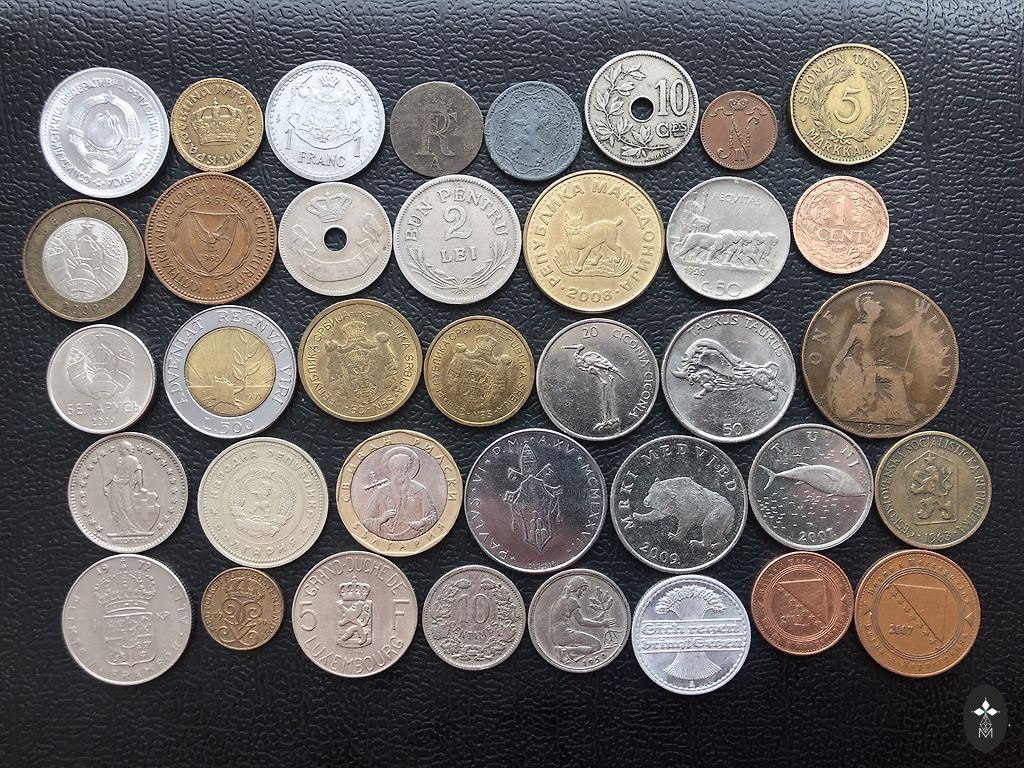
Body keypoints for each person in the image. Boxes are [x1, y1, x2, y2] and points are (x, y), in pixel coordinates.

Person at [827, 291, 918, 424]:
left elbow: (898, 332)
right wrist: (834, 366)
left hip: (876, 363)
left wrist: (916, 320)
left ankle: (892, 410)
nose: (880, 310)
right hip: (862, 366)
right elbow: (845, 349)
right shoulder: (857, 328)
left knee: (907, 376)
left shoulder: (880, 329)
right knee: (896, 376)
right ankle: (903, 413)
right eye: (877, 308)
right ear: (869, 311)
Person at [361, 446, 438, 540]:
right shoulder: (381, 492)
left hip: (415, 534)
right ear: (391, 470)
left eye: (403, 471)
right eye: (396, 470)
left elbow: (433, 516)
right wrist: (381, 519)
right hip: (387, 536)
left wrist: (422, 523)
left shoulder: (420, 490)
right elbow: (367, 521)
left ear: (409, 470)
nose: (400, 474)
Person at [549, 576, 616, 662]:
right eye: (583, 589)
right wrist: (602, 624)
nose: (583, 593)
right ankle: (564, 651)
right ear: (577, 588)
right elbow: (582, 622)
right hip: (563, 635)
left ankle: (566, 651)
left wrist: (598, 619)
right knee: (596, 645)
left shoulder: (563, 599)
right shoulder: (571, 601)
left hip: (556, 635)